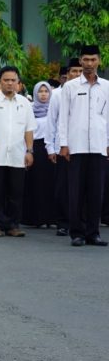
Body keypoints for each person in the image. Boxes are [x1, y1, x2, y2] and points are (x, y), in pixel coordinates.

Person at [57, 45, 108, 247]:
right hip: (76, 147)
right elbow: (64, 118)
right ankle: (76, 232)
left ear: (99, 61)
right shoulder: (70, 87)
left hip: (98, 146)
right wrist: (63, 144)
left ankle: (93, 233)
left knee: (97, 192)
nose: (89, 64)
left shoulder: (106, 86)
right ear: (80, 60)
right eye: (85, 60)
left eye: (93, 59)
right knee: (76, 192)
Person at [0, 66, 35, 238]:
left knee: (16, 192)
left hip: (18, 155)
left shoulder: (25, 103)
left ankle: (13, 225)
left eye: (13, 80)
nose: (10, 83)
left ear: (18, 83)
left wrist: (30, 151)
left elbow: (29, 129)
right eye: (6, 80)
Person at [22, 82, 56, 228]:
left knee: (52, 184)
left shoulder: (53, 110)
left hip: (51, 149)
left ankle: (52, 218)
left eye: (46, 91)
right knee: (37, 184)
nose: (43, 94)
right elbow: (26, 131)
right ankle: (38, 218)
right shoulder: (30, 110)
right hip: (35, 148)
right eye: (40, 91)